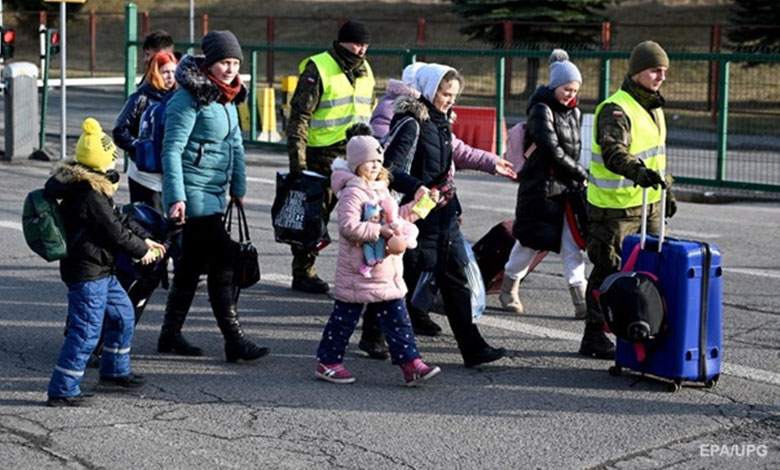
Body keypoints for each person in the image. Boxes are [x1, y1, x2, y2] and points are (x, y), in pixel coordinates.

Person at [365, 61, 509, 346]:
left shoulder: (442, 123)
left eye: (454, 95)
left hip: (442, 213)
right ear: (431, 91)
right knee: (402, 276)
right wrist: (416, 187)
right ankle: (373, 334)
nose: (449, 100)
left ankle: (473, 348)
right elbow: (390, 169)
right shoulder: (411, 123)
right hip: (417, 216)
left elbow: (454, 159)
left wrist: (492, 163)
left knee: (453, 278)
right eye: (445, 94)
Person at [158, 30, 268, 363]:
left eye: (235, 63)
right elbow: (171, 149)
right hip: (193, 193)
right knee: (225, 259)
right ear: (209, 63)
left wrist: (239, 188)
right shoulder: (188, 97)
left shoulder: (227, 96)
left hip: (216, 192)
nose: (231, 69)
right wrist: (176, 197)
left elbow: (235, 144)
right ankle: (235, 340)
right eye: (224, 62)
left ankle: (169, 334)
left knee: (190, 266)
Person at [44, 118, 165, 407]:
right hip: (87, 271)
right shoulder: (88, 194)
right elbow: (114, 231)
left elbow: (119, 218)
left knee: (123, 316)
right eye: (112, 157)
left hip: (102, 268)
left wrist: (146, 239)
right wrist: (141, 251)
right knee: (86, 332)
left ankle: (114, 371)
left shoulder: (94, 187)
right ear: (99, 161)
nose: (115, 162)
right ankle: (62, 389)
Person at [314, 125, 441, 386]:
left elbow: (396, 217)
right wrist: (379, 231)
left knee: (399, 321)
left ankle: (411, 364)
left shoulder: (381, 188)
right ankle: (328, 362)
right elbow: (349, 227)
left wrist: (423, 205)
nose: (375, 165)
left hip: (384, 270)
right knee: (344, 320)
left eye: (378, 161)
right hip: (358, 270)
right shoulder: (353, 191)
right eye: (369, 160)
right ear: (356, 163)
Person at [580, 40, 676, 359]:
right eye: (654, 70)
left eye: (664, 71)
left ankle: (642, 327)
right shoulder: (616, 109)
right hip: (614, 209)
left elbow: (656, 156)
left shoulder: (654, 107)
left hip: (648, 204)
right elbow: (614, 152)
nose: (661, 76)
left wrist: (667, 189)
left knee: (653, 269)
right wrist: (638, 173)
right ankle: (594, 335)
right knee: (608, 271)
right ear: (637, 72)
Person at [286, 20, 375, 294]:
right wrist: (298, 162)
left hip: (356, 155)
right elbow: (300, 116)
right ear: (342, 42)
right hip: (322, 155)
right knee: (316, 217)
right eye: (356, 44)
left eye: (365, 45)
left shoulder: (366, 70)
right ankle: (303, 271)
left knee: (365, 215)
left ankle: (366, 271)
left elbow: (368, 108)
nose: (361, 50)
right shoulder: (319, 67)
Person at [501, 50, 589, 318]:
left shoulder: (574, 112)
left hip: (566, 188)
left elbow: (572, 149)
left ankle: (581, 300)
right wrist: (579, 172)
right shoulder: (541, 109)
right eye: (566, 89)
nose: (570, 95)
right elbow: (551, 149)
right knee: (530, 242)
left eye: (575, 90)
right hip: (540, 187)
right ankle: (509, 286)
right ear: (554, 86)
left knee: (572, 245)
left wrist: (575, 175)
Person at [113, 51, 178, 213]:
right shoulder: (140, 97)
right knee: (147, 219)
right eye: (165, 72)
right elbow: (120, 130)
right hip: (143, 175)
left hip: (169, 173)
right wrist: (142, 148)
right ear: (155, 72)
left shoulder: (179, 98)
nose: (170, 77)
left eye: (173, 71)